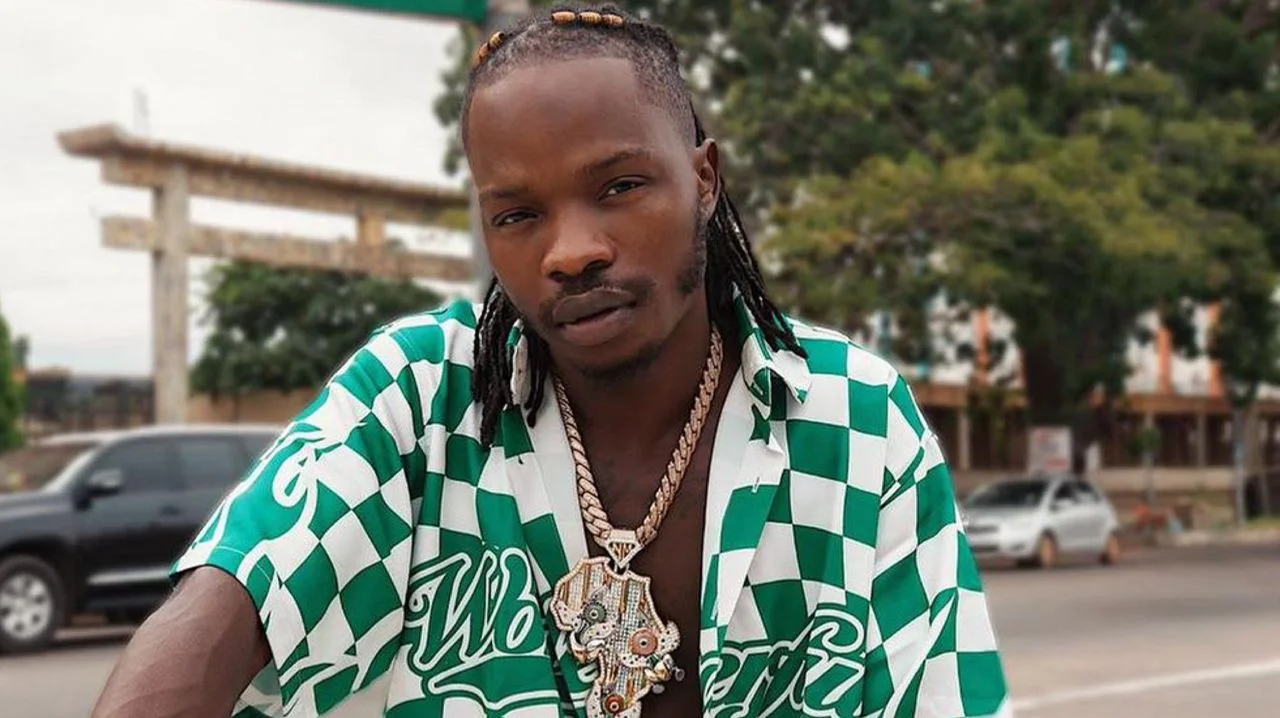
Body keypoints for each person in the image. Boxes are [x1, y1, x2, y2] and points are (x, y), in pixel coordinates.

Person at [92, 4, 1010, 717]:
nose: (572, 252)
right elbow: (227, 607)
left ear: (703, 178)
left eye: (619, 186)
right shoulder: (418, 401)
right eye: (518, 215)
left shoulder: (856, 419)